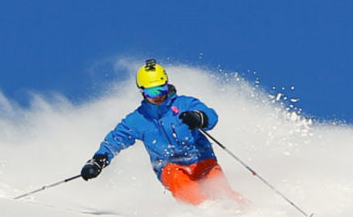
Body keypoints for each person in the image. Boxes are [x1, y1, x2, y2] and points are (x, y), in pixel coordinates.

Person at [80, 59, 242, 206]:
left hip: (202, 160)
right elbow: (115, 140)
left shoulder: (185, 104)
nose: (158, 96)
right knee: (182, 185)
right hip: (169, 166)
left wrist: (199, 118)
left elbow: (211, 116)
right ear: (143, 92)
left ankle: (248, 215)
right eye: (152, 92)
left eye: (161, 89)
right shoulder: (137, 120)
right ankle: (206, 211)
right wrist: (97, 161)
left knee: (221, 192)